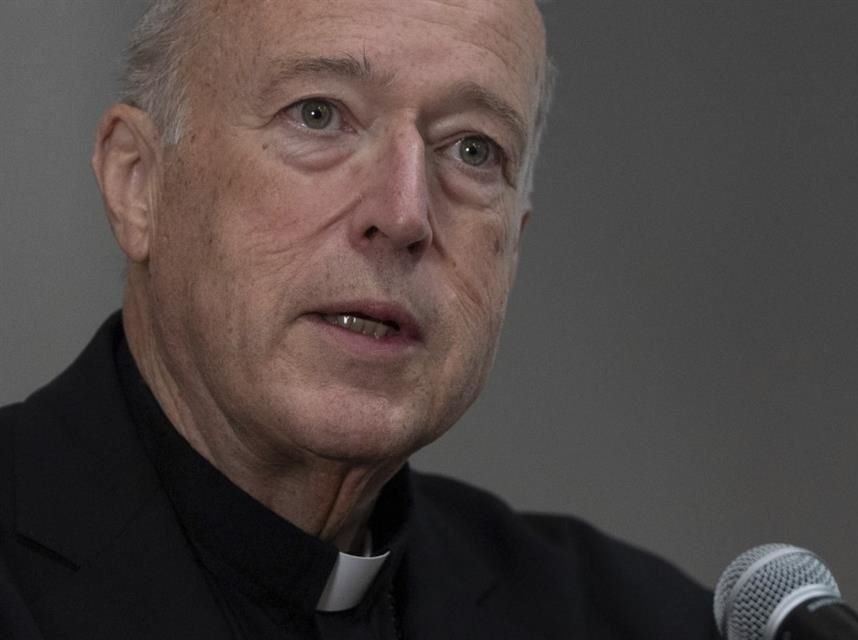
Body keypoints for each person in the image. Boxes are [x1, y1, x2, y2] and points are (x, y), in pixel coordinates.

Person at [0, 1, 719, 638]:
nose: (404, 213)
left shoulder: (629, 619)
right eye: (319, 114)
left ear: (514, 244)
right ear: (138, 183)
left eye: (472, 149)